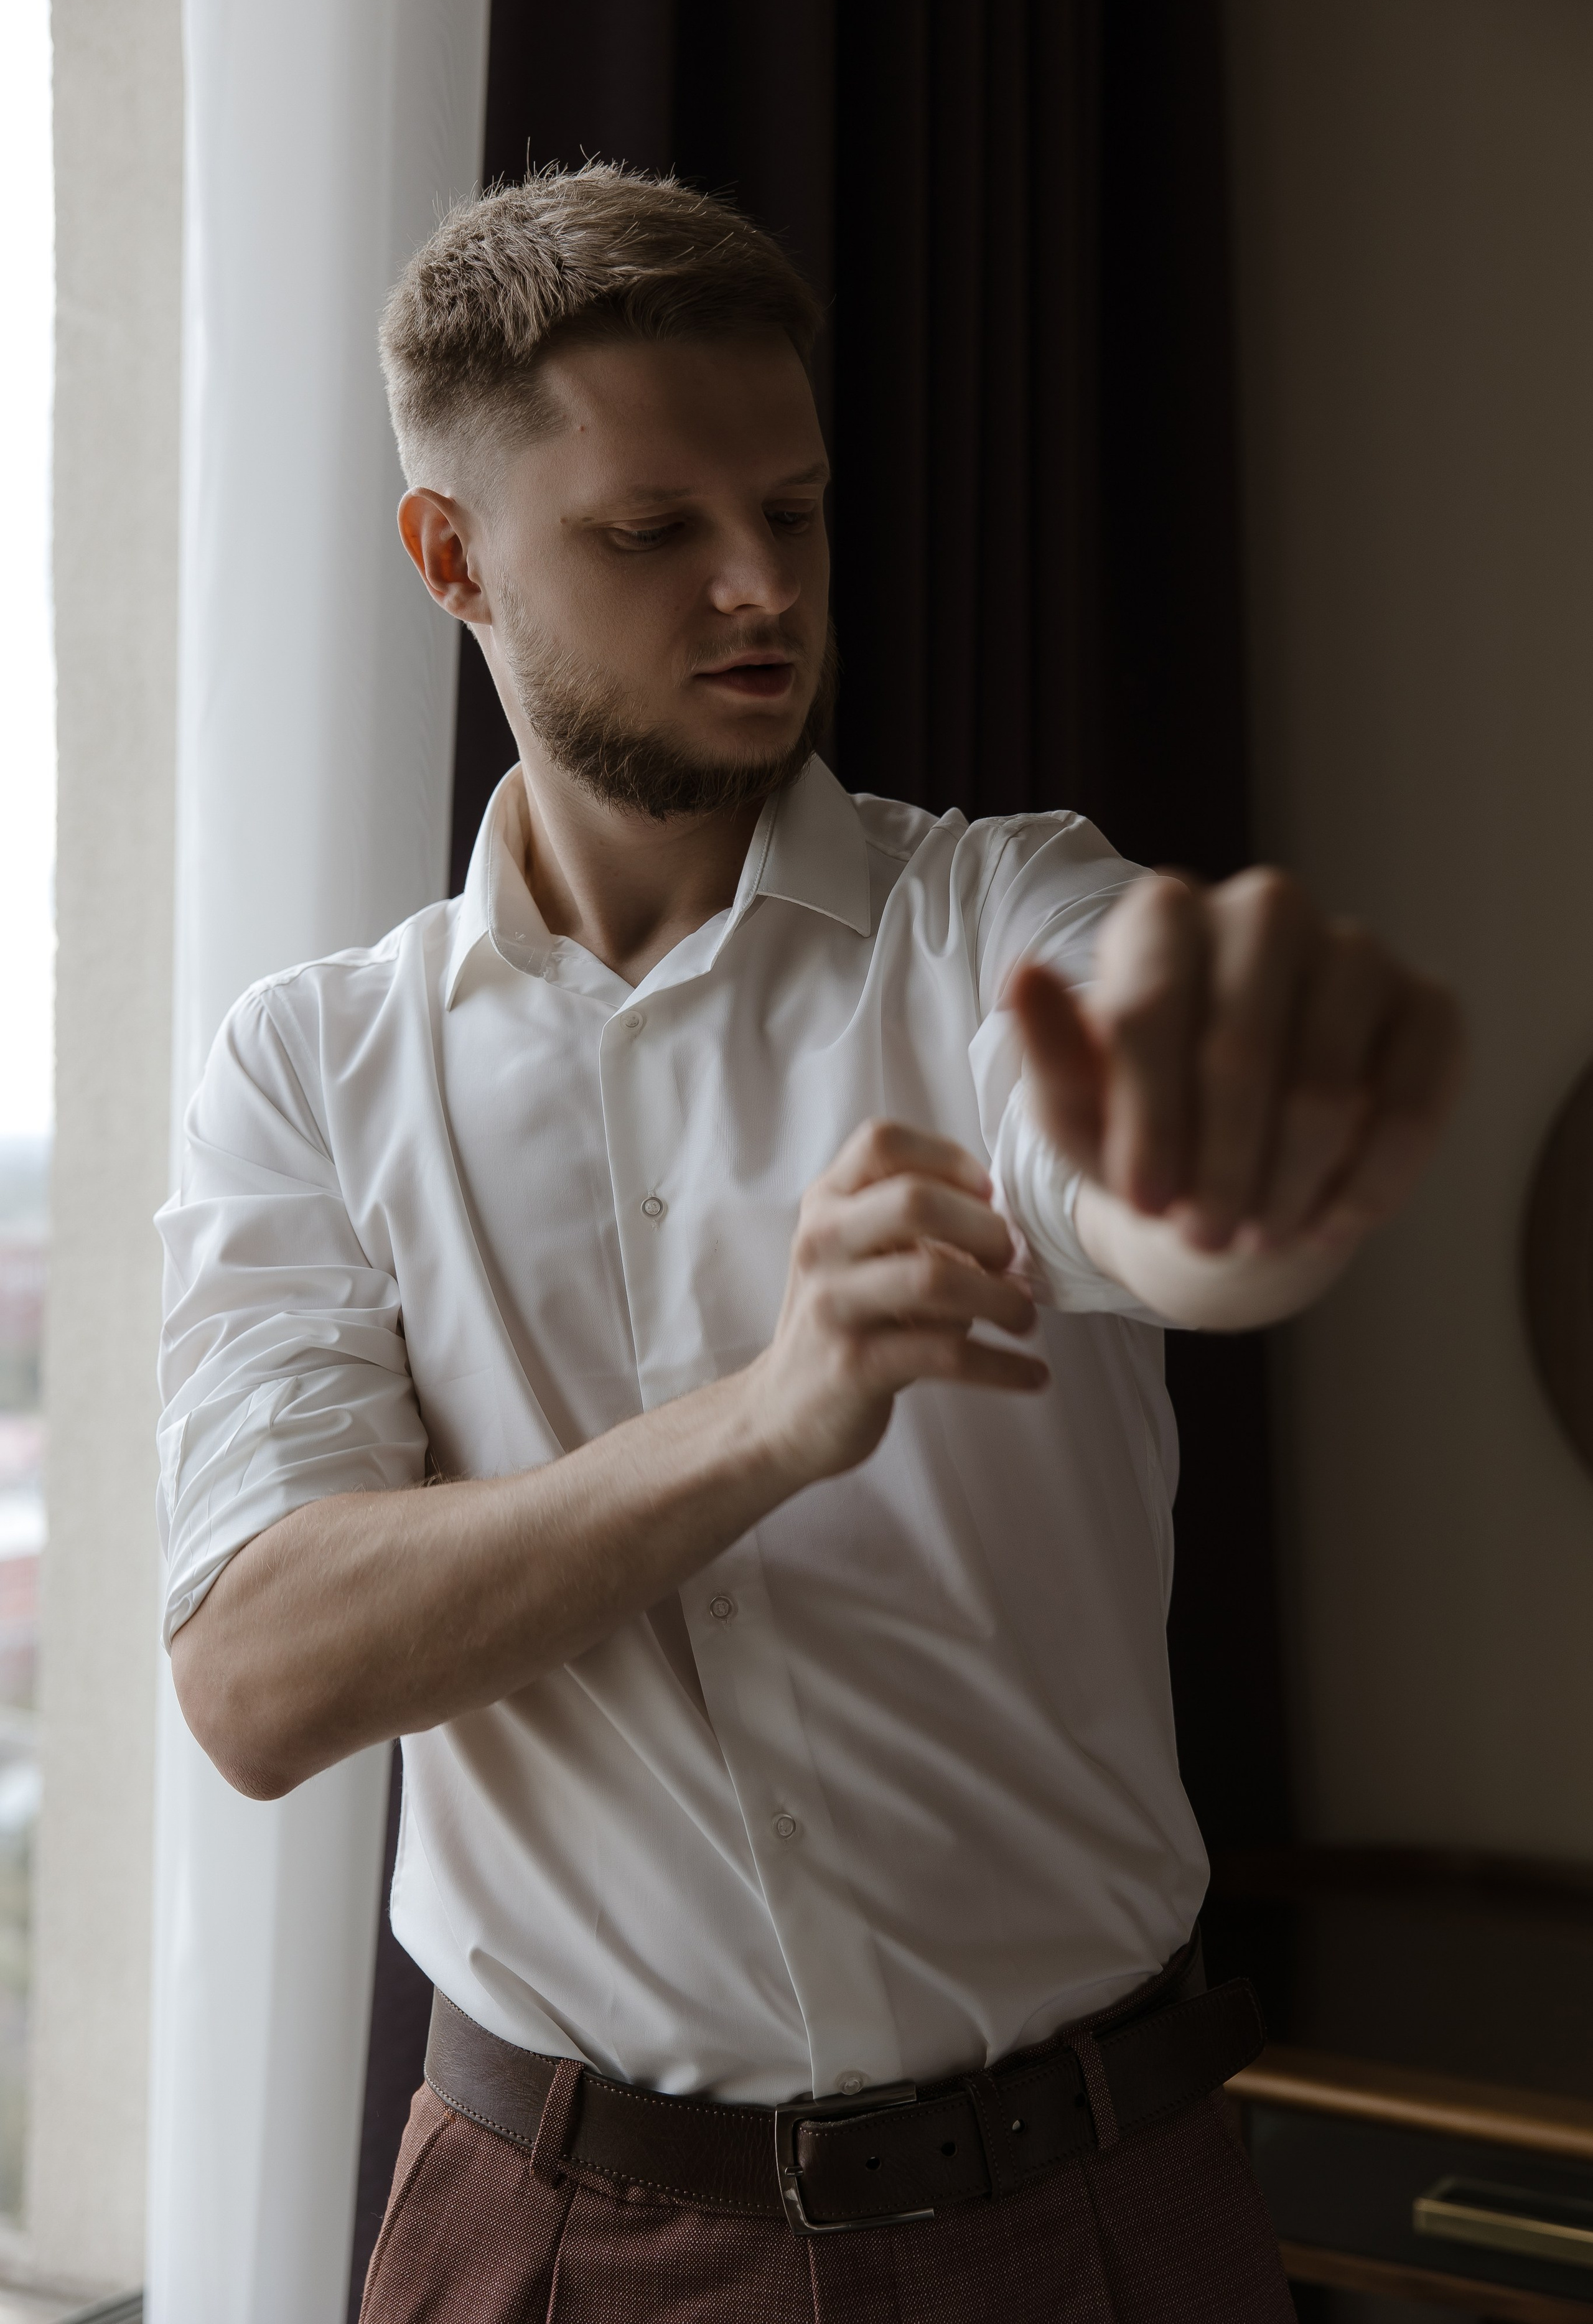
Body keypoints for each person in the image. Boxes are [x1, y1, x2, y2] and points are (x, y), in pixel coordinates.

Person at [157, 165, 1463, 2323]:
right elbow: (259, 1677)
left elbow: (1142, 1163)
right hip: (551, 2237)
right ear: (451, 555)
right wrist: (765, 1422)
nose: (763, 586)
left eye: (799, 507)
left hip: (1099, 2223)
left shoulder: (1003, 922)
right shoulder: (305, 1070)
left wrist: (1241, 1164)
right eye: (656, 530)